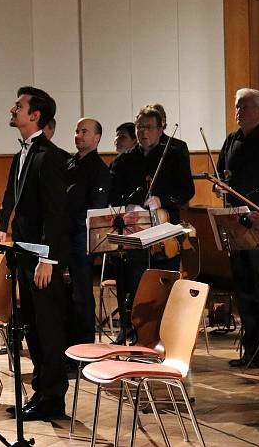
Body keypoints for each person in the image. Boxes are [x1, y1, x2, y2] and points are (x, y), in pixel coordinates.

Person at [0, 86, 70, 421]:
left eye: (19, 106)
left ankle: (53, 397)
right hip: (24, 253)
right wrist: (0, 226)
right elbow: (11, 196)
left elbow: (57, 213)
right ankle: (41, 393)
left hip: (43, 258)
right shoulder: (21, 154)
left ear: (34, 115)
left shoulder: (50, 156)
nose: (13, 109)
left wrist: (48, 259)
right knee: (34, 329)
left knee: (49, 328)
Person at [108, 106, 194, 344]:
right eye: (139, 127)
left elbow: (187, 190)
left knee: (164, 286)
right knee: (135, 286)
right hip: (136, 233)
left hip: (165, 233)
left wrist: (162, 200)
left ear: (161, 128)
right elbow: (114, 194)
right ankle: (136, 335)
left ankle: (165, 338)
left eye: (149, 127)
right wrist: (127, 207)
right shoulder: (126, 159)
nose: (143, 132)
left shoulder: (175, 151)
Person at [216, 88, 259, 368]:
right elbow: (222, 172)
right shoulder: (231, 140)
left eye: (243, 107)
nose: (238, 112)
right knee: (242, 286)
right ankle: (250, 347)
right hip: (235, 219)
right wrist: (220, 187)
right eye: (236, 106)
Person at [65, 118, 110, 346]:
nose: (78, 135)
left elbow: (96, 210)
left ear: (97, 138)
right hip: (63, 238)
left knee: (81, 295)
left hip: (82, 240)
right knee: (65, 296)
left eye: (84, 131)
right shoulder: (68, 164)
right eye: (76, 130)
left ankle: (84, 347)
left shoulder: (100, 170)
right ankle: (68, 345)